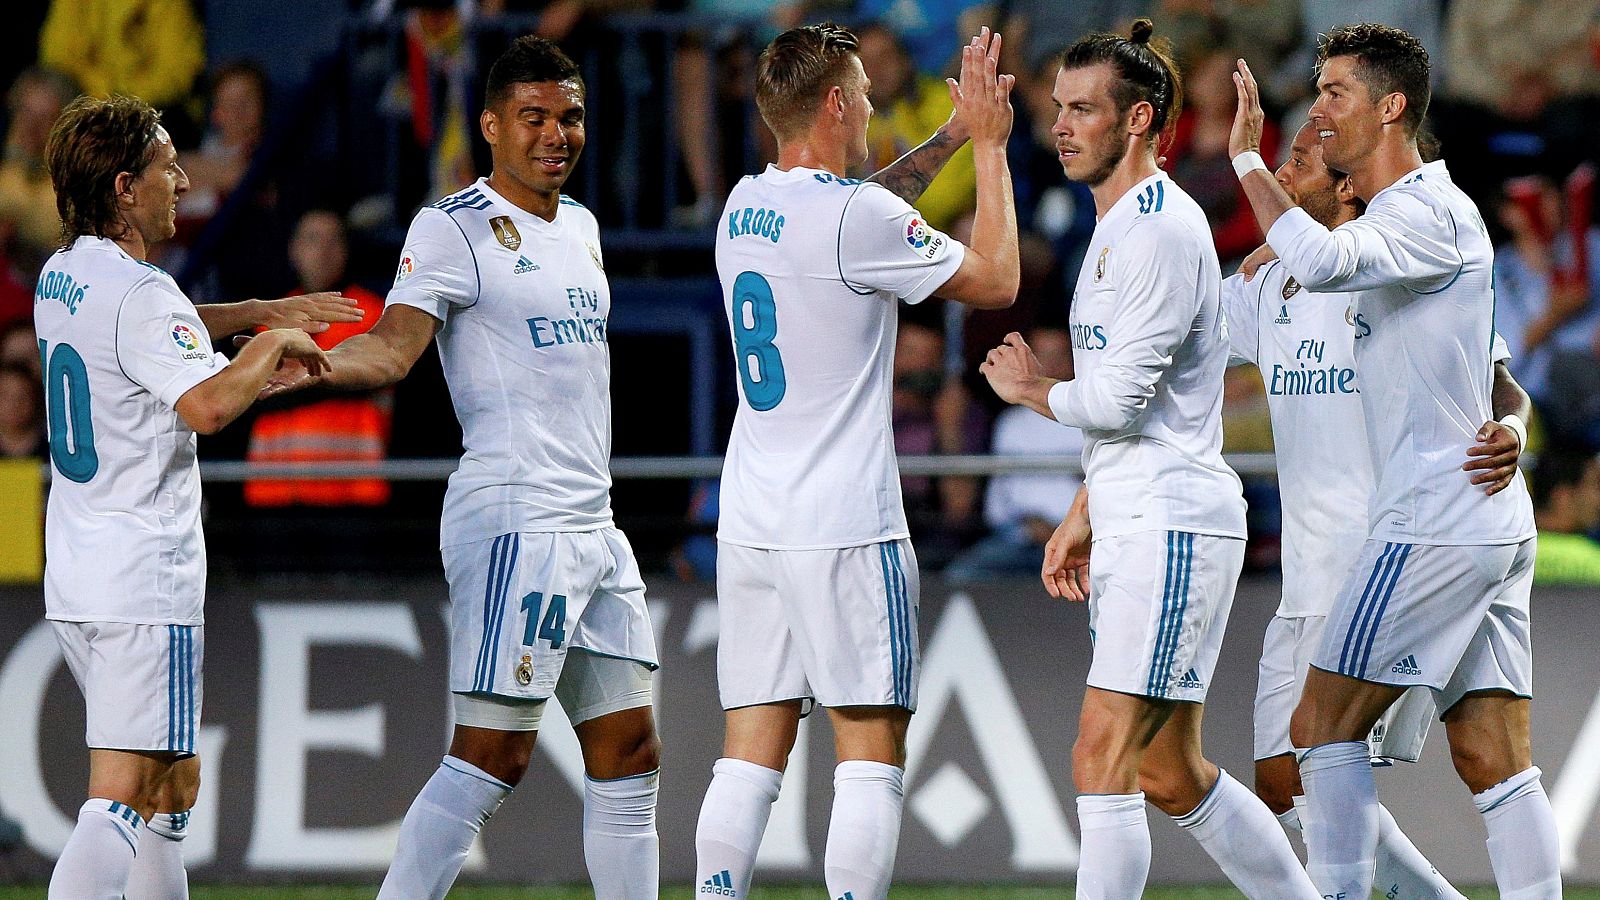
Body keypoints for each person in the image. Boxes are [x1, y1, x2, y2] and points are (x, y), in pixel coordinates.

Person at [260, 36, 664, 899]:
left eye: (570, 117)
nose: (556, 134)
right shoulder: (453, 226)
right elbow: (395, 346)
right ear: (490, 125)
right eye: (534, 118)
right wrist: (316, 363)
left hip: (594, 524)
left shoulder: (585, 228)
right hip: (517, 519)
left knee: (630, 750)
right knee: (492, 756)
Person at [979, 20, 1318, 899]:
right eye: (1058, 107)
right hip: (1136, 513)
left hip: (1172, 522)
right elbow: (1132, 410)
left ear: (1139, 122)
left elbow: (1119, 402)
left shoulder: (1162, 230)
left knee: (1102, 751)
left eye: (1084, 109)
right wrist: (1086, 510)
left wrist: (1029, 389)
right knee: (1168, 773)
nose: (1061, 125)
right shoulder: (1116, 230)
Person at [1230, 23, 1560, 899]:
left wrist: (1246, 166)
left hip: (1429, 523)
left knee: (1320, 731)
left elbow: (1327, 262)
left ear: (1391, 105)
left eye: (1335, 93)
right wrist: (1514, 429)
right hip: (1482, 519)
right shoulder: (1411, 222)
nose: (1319, 108)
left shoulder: (1421, 213)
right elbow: (1486, 381)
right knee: (1493, 752)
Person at [697, 23, 1019, 900]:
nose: (875, 109)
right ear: (836, 103)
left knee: (749, 754)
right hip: (845, 522)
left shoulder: (743, 206)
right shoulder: (855, 219)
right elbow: (995, 278)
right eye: (868, 96)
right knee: (869, 756)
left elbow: (858, 215)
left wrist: (946, 137)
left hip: (754, 517)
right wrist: (988, 148)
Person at [35, 94, 347, 900]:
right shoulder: (142, 296)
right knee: (125, 796)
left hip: (79, 572)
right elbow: (206, 406)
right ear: (124, 188)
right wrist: (273, 341)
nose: (184, 179)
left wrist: (248, 313)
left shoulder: (64, 273)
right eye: (169, 165)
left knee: (170, 791)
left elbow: (145, 332)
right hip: (145, 579)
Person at [244, 209, 392, 508]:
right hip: (276, 490)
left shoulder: (373, 315)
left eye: (333, 241)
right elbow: (248, 398)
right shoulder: (268, 320)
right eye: (312, 240)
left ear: (346, 250)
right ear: (294, 250)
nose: (323, 252)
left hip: (351, 487)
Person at [946, 324, 1083, 581]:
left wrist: (1068, 530)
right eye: (1044, 355)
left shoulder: (1090, 418)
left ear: (1074, 360)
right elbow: (1003, 498)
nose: (1051, 365)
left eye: (1059, 356)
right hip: (1021, 538)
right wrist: (1031, 528)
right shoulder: (1012, 422)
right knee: (960, 576)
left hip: (1081, 541)